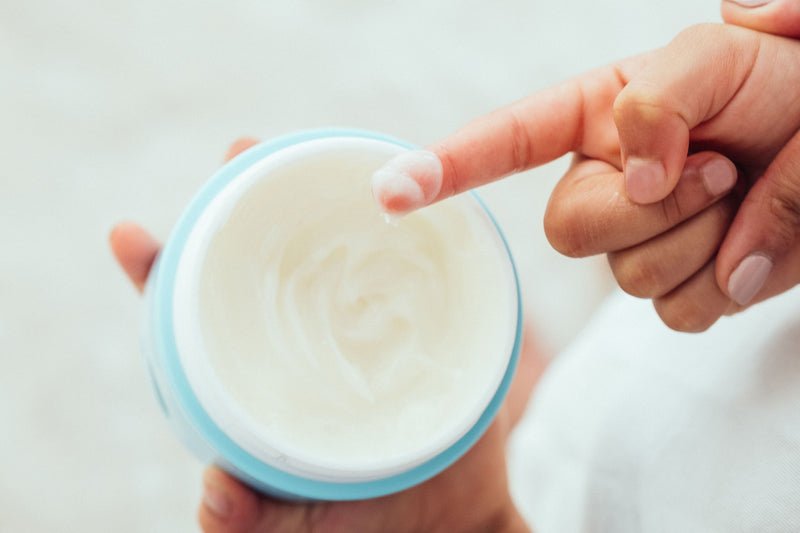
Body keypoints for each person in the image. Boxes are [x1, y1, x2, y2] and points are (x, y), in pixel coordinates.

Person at [110, 1, 800, 531]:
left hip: (564, 490)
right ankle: (546, 399)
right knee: (616, 346)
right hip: (622, 407)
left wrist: (482, 522)